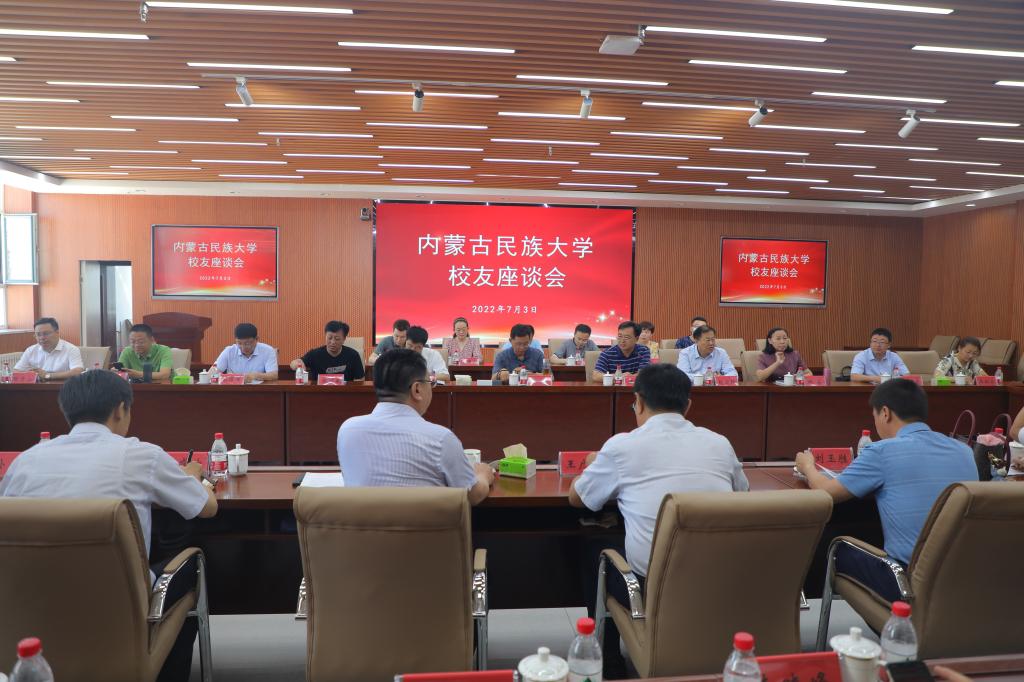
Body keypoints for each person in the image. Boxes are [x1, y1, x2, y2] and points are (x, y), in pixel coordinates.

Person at [0, 370, 217, 682]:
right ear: (120, 409)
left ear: (67, 411)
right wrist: (194, 476)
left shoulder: (25, 461)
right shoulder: (142, 455)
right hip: (118, 606)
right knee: (192, 563)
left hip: (29, 604)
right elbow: (206, 508)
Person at [569, 364, 748, 675]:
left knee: (594, 548)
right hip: (718, 580)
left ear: (638, 402)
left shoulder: (622, 445)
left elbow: (579, 498)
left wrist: (592, 464)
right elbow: (741, 494)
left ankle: (610, 662)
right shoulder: (720, 443)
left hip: (649, 588)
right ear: (688, 406)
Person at [795, 379, 977, 601]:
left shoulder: (882, 451)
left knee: (832, 547)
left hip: (906, 582)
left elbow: (825, 492)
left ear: (885, 413)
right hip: (963, 578)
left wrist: (808, 466)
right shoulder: (964, 451)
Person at [337, 348, 494, 504]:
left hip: (365, 521)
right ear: (417, 389)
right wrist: (483, 475)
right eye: (430, 383)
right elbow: (472, 495)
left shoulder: (348, 430)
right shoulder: (441, 439)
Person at [291, 320, 365, 383]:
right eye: (329, 338)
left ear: (344, 339)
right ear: (325, 336)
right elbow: (293, 364)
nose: (332, 342)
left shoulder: (353, 355)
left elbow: (360, 380)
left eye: (337, 339)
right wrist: (298, 365)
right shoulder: (315, 354)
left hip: (344, 393)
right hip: (320, 393)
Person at [13, 317, 84, 382]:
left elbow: (77, 371)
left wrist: (48, 375)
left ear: (57, 333)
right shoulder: (31, 350)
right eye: (38, 334)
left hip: (63, 388)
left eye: (46, 333)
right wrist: (31, 374)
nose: (42, 338)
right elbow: (16, 371)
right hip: (36, 388)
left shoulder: (71, 349)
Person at [214, 322, 278, 382]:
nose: (243, 347)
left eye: (247, 343)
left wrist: (255, 376)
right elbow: (214, 372)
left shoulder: (268, 350)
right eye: (239, 343)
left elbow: (274, 375)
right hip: (233, 388)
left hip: (258, 389)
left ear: (256, 339)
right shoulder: (229, 351)